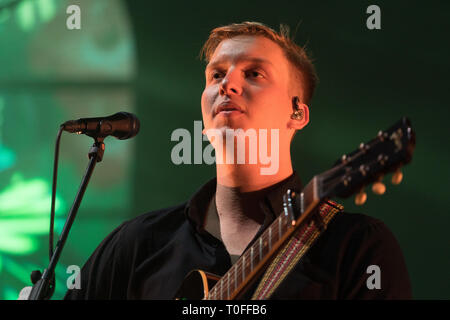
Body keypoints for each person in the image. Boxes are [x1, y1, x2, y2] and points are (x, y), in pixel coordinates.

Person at [64, 22, 412, 300]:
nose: (227, 84)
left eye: (254, 74)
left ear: (298, 113)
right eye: (216, 75)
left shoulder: (356, 248)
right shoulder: (140, 243)